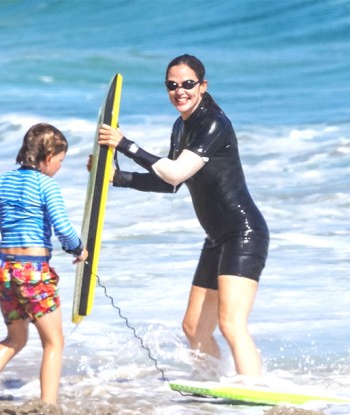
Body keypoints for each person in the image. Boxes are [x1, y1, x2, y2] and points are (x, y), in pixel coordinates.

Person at [98, 55, 269, 378]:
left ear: (203, 86)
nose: (180, 91)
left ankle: (256, 393)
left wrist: (126, 145)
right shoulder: (182, 126)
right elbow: (169, 184)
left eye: (188, 84)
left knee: (231, 324)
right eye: (172, 86)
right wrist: (117, 178)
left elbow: (175, 172)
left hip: (243, 234)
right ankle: (212, 384)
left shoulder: (214, 124)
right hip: (216, 239)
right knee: (193, 327)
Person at [0, 123, 88, 405]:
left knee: (15, 339)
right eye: (60, 161)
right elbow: (63, 229)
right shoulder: (47, 185)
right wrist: (78, 250)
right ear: (47, 158)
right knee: (54, 343)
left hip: (5, 269)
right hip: (33, 271)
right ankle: (48, 405)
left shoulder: (2, 182)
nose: (59, 167)